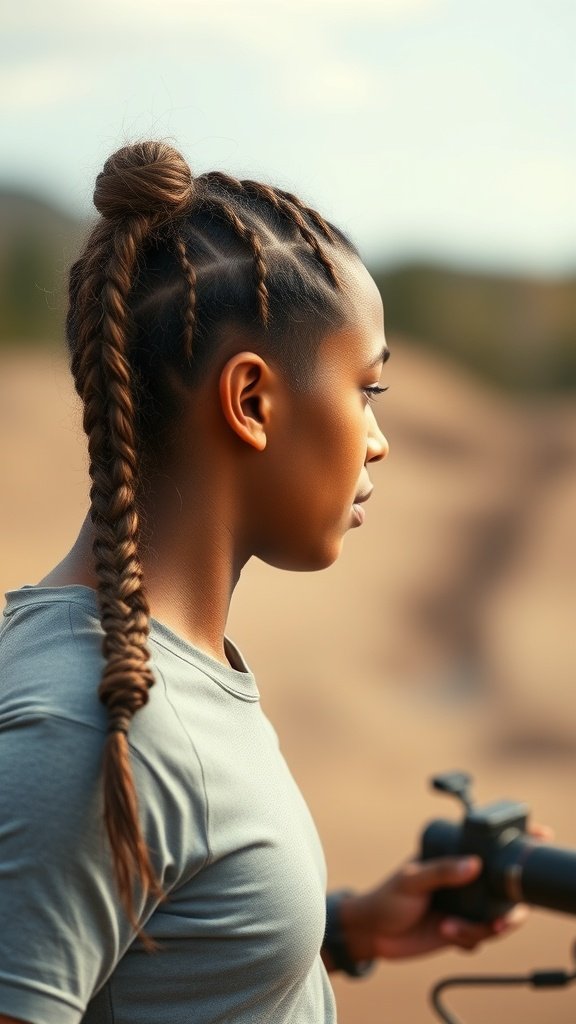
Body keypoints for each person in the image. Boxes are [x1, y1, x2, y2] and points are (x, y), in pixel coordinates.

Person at [0, 141, 529, 1024]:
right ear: (251, 402)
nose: (377, 438)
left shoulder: (138, 677)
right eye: (369, 387)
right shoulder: (87, 730)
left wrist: (338, 931)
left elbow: (140, 954)